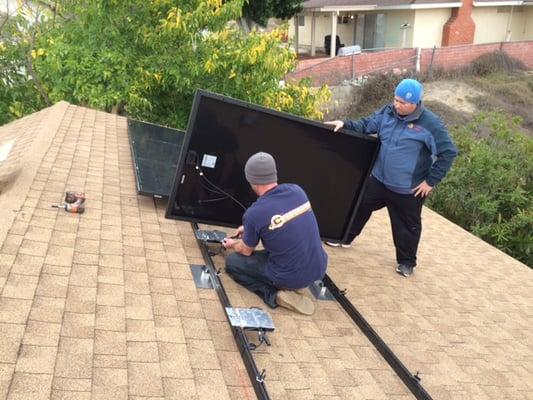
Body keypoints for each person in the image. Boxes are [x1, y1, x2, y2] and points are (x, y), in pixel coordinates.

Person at [324, 78, 457, 277]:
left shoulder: (431, 124)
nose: (397, 105)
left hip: (407, 189)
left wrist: (430, 182)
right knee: (358, 206)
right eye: (396, 100)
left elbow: (448, 153)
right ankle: (345, 237)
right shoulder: (387, 112)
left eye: (403, 103)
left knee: (407, 227)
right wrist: (345, 124)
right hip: (379, 180)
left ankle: (406, 262)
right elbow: (367, 124)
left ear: (415, 104)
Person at [222, 152, 328, 315]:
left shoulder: (254, 213)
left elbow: (245, 250)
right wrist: (250, 229)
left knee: (233, 262)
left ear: (251, 180)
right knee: (281, 245)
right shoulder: (297, 190)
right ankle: (298, 284)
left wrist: (232, 244)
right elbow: (282, 222)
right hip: (318, 268)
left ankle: (275, 294)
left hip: (289, 275)